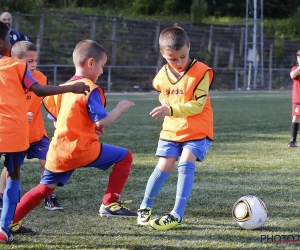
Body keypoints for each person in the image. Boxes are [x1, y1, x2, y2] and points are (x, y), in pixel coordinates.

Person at [5, 39, 137, 243]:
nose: (102, 71)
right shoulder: (89, 88)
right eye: (102, 66)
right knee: (125, 157)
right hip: (82, 148)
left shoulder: (64, 88)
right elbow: (102, 120)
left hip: (60, 151)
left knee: (44, 189)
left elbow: (61, 117)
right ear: (91, 63)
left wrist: (90, 126)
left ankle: (9, 223)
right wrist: (120, 108)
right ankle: (110, 203)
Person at [0, 20, 90, 244]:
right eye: (8, 38)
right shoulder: (16, 66)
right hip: (14, 132)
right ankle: (4, 228)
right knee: (13, 176)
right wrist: (71, 87)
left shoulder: (20, 65)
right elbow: (37, 89)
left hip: (22, 131)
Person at [137, 26, 214, 230]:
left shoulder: (202, 72)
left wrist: (169, 109)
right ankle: (145, 206)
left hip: (197, 129)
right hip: (172, 130)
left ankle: (177, 214)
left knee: (186, 163)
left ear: (189, 47)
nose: (179, 62)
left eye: (183, 56)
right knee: (164, 166)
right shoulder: (162, 74)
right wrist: (164, 102)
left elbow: (197, 105)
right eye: (173, 59)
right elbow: (162, 91)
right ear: (163, 54)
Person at [0, 41, 63, 215]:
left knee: (49, 162)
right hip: (14, 132)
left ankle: (49, 195)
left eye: (36, 60)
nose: (34, 64)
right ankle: (1, 196)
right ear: (17, 62)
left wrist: (56, 117)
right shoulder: (6, 77)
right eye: (29, 61)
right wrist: (20, 116)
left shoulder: (41, 78)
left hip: (36, 132)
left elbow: (48, 100)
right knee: (10, 168)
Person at [288, 50, 300, 147]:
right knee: (295, 118)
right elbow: (292, 75)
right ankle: (293, 140)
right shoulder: (295, 68)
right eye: (299, 57)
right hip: (298, 98)